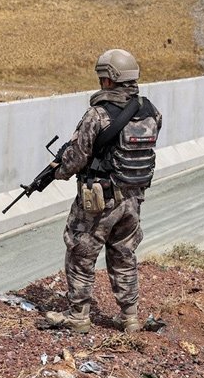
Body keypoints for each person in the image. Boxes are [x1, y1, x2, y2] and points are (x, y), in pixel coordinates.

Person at [45, 49, 162, 334]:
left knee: (81, 251)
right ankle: (130, 317)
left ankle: (78, 316)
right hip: (133, 198)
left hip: (100, 199)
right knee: (124, 254)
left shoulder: (97, 115)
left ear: (108, 79)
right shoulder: (151, 112)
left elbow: (76, 159)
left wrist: (58, 171)